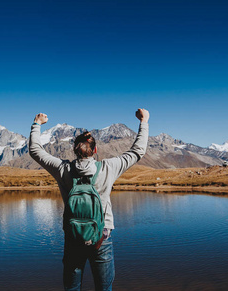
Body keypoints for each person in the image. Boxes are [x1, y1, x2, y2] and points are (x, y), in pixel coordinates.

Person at [29, 108, 149, 291]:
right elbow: (137, 151)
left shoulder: (63, 169)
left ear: (75, 150)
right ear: (95, 150)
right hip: (102, 236)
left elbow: (35, 150)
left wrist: (36, 124)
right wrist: (144, 121)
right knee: (104, 287)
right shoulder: (109, 167)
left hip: (73, 236)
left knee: (72, 287)